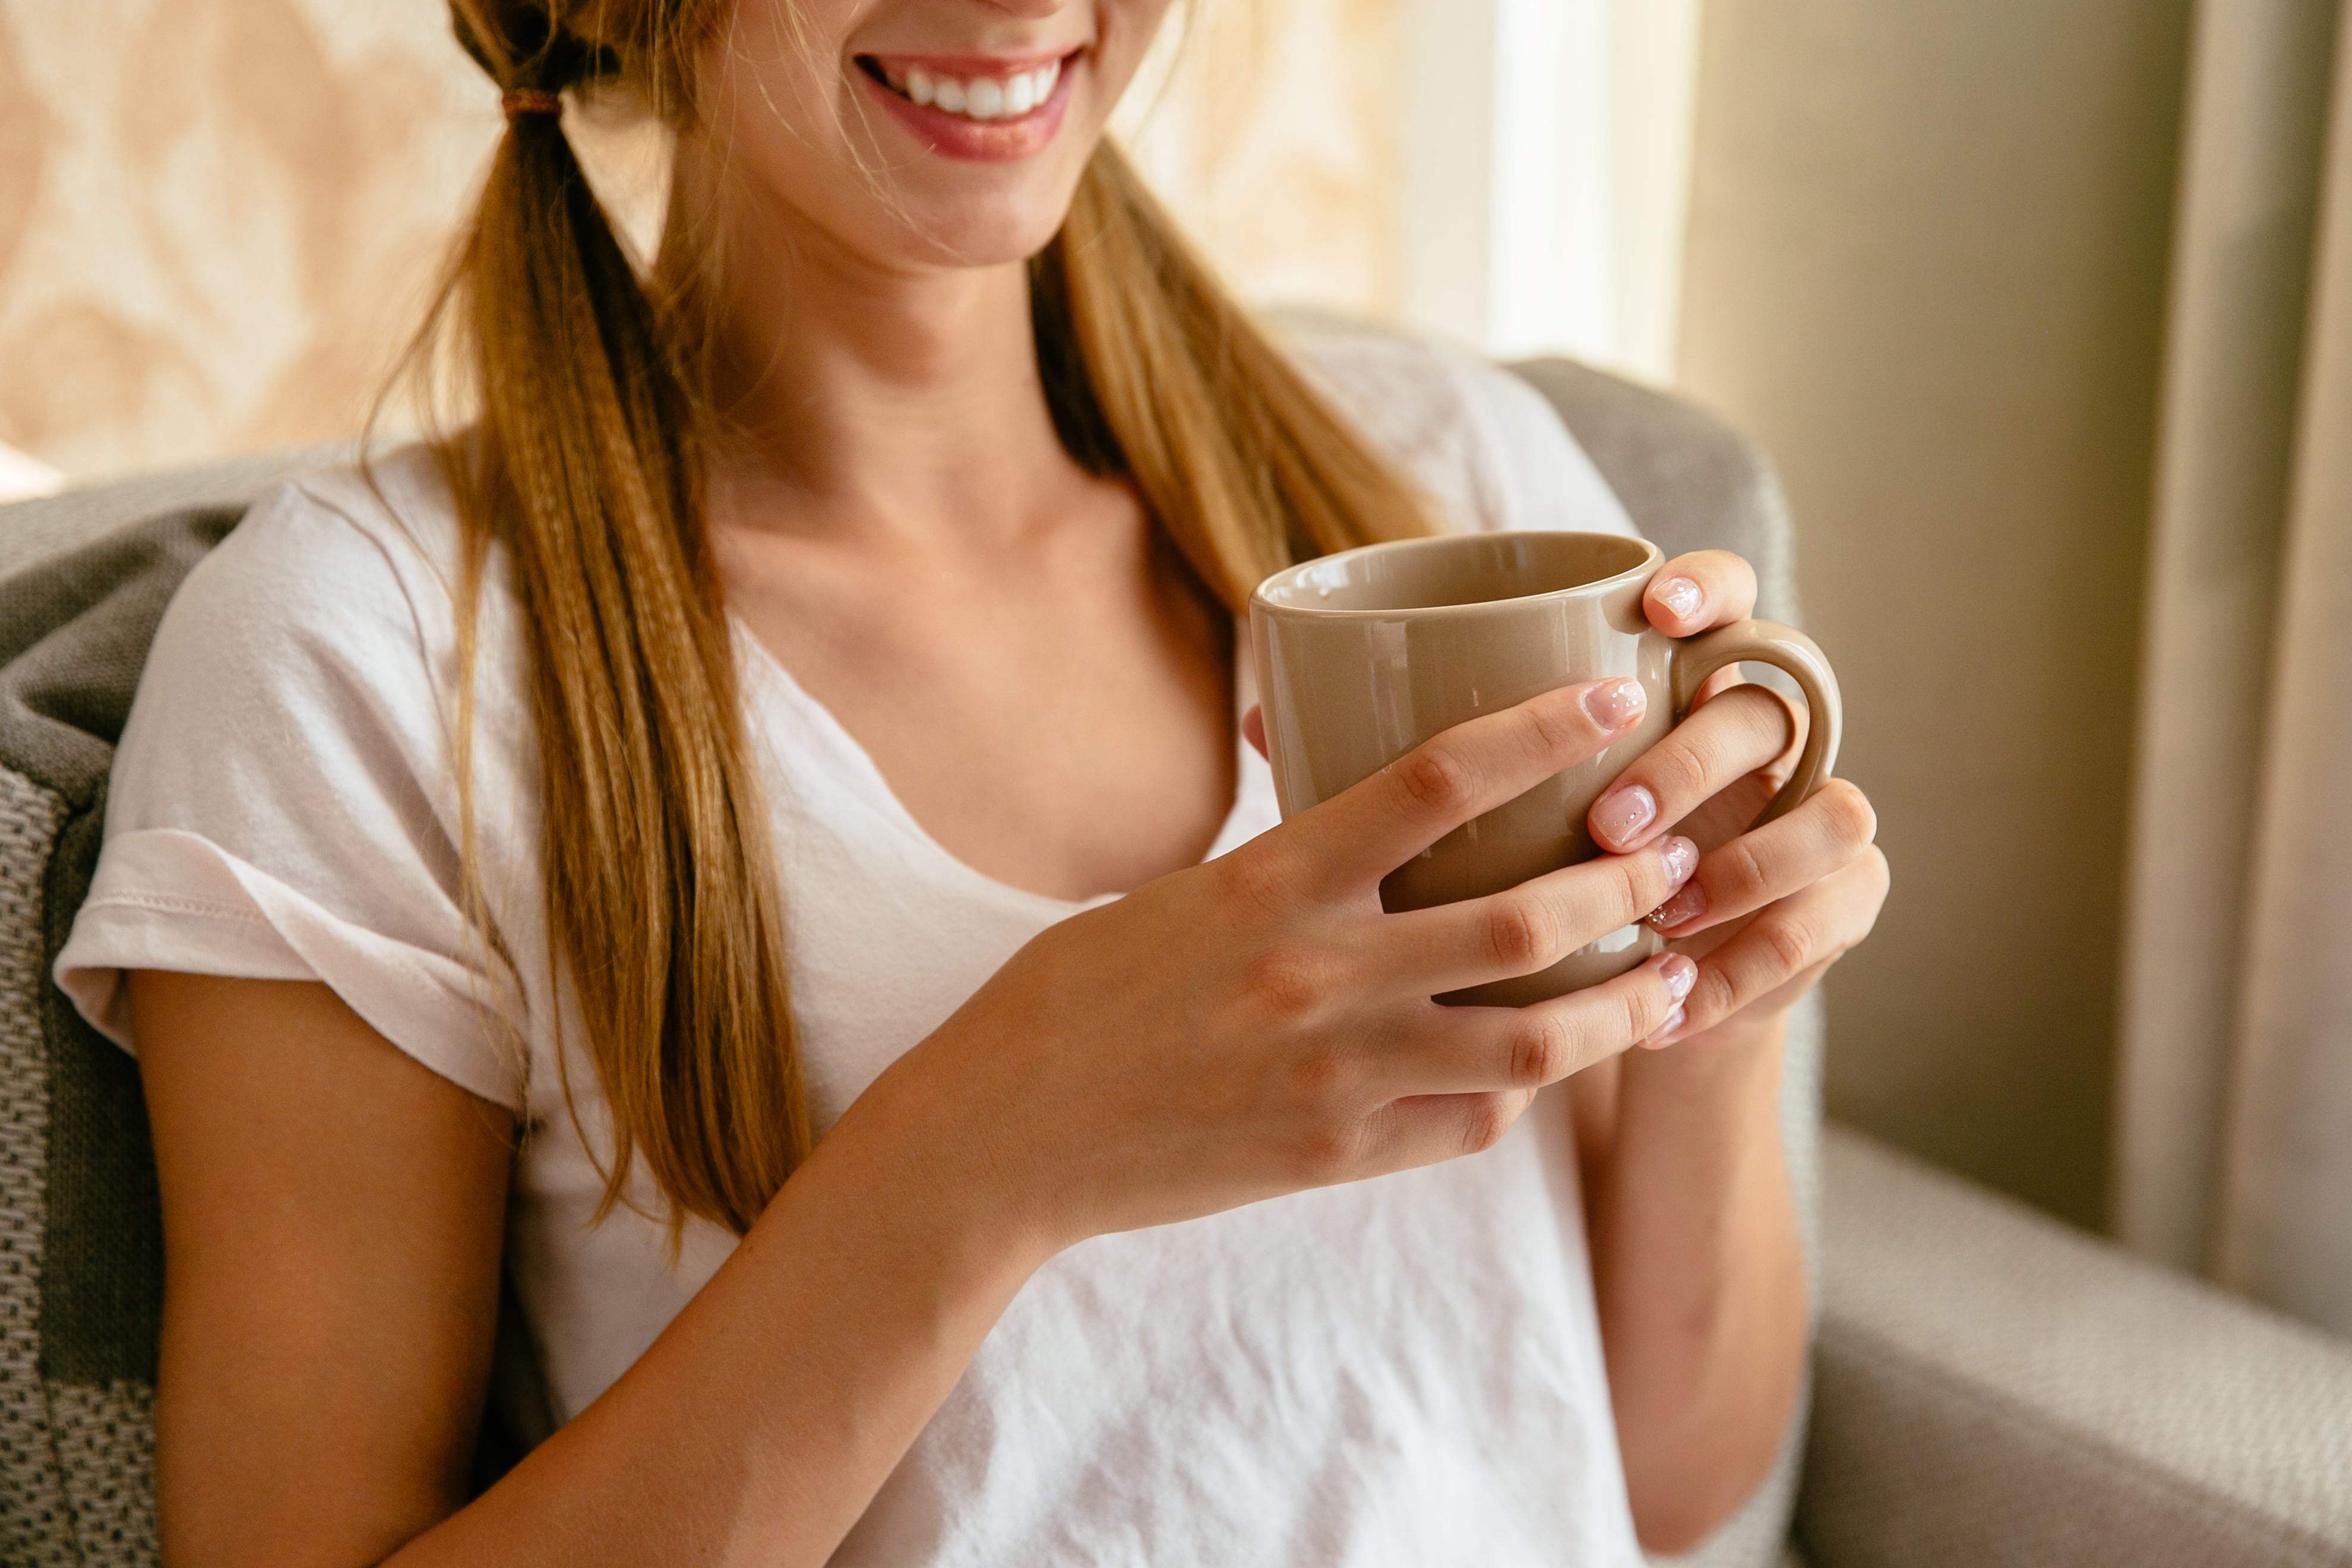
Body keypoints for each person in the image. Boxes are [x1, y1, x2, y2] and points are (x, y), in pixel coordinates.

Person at [54, 1, 1889, 1563]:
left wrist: (1713, 1013)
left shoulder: (1451, 484)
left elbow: (1663, 1478)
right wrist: (986, 1150)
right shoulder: (370, 654)